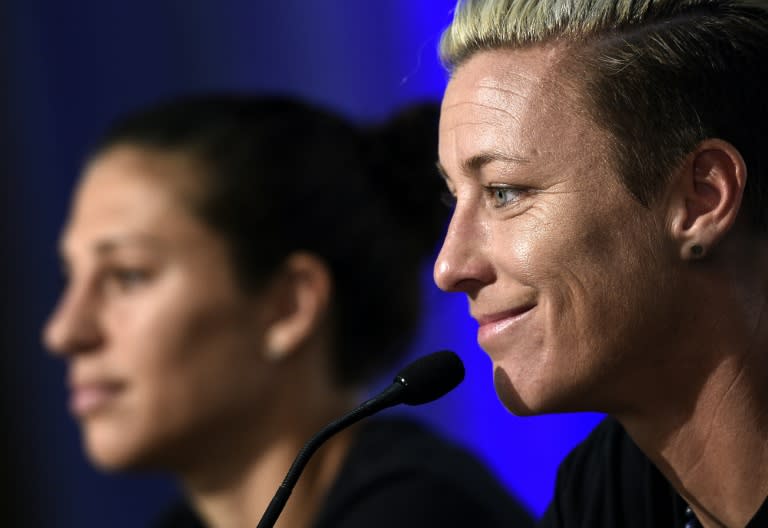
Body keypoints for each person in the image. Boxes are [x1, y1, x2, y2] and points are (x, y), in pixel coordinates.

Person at [42, 94, 534, 528]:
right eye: (71, 278)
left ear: (288, 307)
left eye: (127, 276)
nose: (64, 333)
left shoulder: (425, 515)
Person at [433, 0, 768, 526]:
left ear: (702, 199)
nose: (449, 267)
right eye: (454, 196)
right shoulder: (606, 489)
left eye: (503, 192)